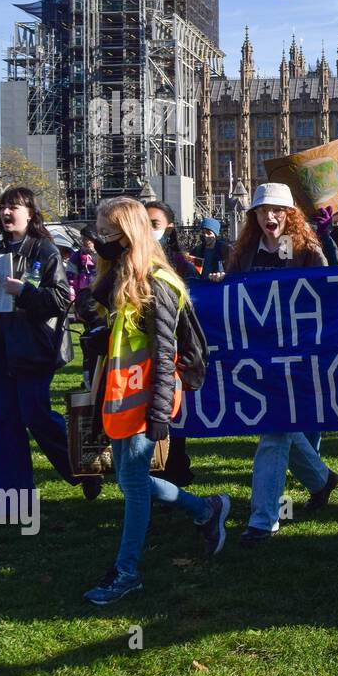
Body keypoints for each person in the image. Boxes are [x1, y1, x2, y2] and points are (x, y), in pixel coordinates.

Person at [82, 197, 231, 606]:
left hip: (145, 397)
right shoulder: (121, 280)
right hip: (121, 395)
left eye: (106, 233)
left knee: (132, 486)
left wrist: (159, 413)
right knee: (133, 481)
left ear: (127, 236)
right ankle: (206, 511)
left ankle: (127, 570)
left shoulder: (159, 286)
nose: (99, 240)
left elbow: (166, 354)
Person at [226, 183, 338, 545]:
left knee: (274, 429)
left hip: (297, 353)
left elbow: (328, 294)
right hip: (258, 353)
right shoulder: (244, 252)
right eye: (262, 211)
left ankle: (263, 518)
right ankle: (322, 479)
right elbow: (233, 294)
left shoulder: (307, 251)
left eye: (277, 211)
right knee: (283, 424)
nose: (269, 217)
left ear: (289, 214)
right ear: (253, 216)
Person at [0, 187, 99, 498]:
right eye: (3, 206)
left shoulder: (45, 250)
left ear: (30, 213)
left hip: (33, 350)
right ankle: (7, 496)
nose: (6, 212)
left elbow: (58, 301)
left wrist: (23, 292)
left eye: (14, 206)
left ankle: (83, 469)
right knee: (1, 422)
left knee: (36, 417)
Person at [144, 201, 196, 488]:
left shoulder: (179, 264)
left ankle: (173, 472)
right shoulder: (131, 259)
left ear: (169, 228)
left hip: (170, 351)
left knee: (172, 418)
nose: (148, 231)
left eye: (155, 224)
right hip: (139, 357)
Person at [145, 202, 199, 280]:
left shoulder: (181, 265)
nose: (148, 229)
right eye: (143, 223)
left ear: (169, 229)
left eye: (154, 224)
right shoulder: (129, 260)